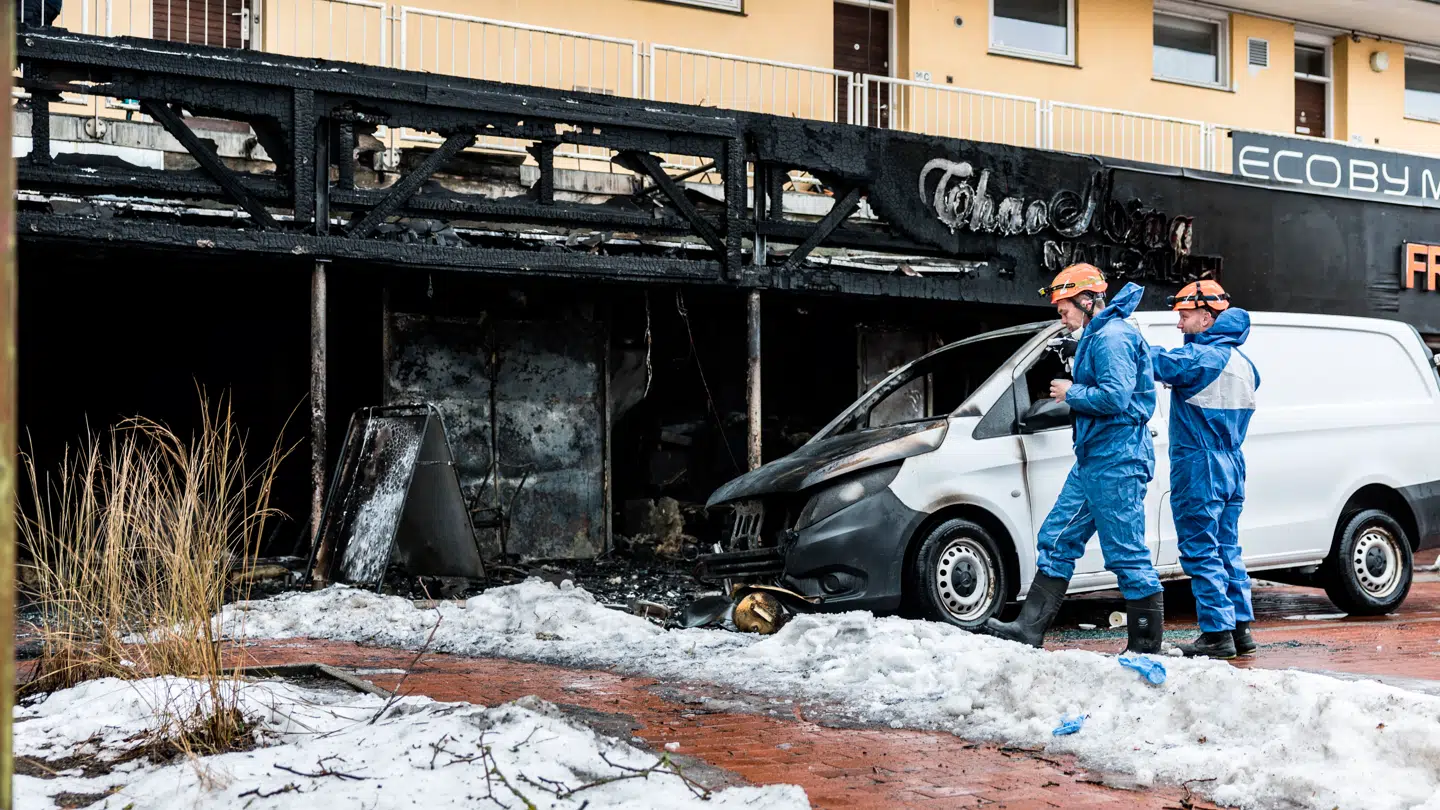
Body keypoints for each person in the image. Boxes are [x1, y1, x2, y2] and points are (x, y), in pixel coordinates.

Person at [985, 264, 1165, 653]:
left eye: (1063, 307)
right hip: (1095, 458)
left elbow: (1116, 398)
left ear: (1086, 301)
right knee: (1057, 537)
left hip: (1117, 459)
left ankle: (1145, 649)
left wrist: (1072, 392)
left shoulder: (1112, 337)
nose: (1060, 315)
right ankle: (1028, 629)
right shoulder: (1100, 335)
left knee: (1127, 554)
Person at [1151, 280, 1260, 659]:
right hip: (1232, 463)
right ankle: (1240, 629)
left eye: (1184, 315)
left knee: (1201, 549)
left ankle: (1216, 634)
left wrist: (1113, 337)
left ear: (1207, 316)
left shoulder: (1202, 358)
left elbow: (1157, 363)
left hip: (1200, 463)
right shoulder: (1244, 365)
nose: (1179, 324)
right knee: (1227, 547)